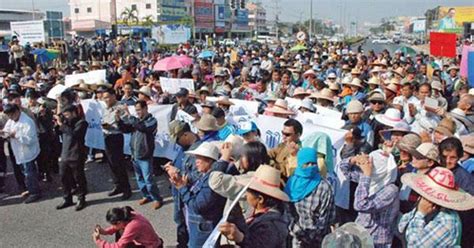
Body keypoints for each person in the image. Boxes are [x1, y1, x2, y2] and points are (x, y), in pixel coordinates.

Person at [398, 167, 474, 247]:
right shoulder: (428, 206)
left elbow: (414, 245)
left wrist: (420, 214)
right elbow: (402, 225)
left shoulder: (446, 221)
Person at [169, 142, 227, 248]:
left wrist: (182, 188)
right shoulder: (205, 176)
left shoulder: (210, 181)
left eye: (199, 159)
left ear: (209, 160)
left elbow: (197, 206)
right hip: (198, 228)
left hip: (203, 231)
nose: (196, 162)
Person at [219, 165, 289, 248]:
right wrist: (237, 218)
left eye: (248, 192)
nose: (246, 195)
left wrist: (240, 238)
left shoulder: (271, 224)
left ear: (260, 199)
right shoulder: (261, 213)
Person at [284, 147, 335, 247]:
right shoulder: (291, 184)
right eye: (306, 164)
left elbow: (325, 218)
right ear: (300, 163)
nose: (310, 167)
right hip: (295, 238)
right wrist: (297, 232)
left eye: (313, 163)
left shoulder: (324, 187)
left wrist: (310, 237)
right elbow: (287, 212)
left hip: (317, 240)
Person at [117, 100, 163, 210]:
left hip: (145, 155)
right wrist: (119, 120)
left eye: (139, 110)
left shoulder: (152, 120)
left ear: (145, 108)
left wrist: (129, 116)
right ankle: (146, 195)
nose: (137, 112)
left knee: (149, 179)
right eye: (136, 110)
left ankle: (157, 198)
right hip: (135, 154)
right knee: (139, 178)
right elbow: (125, 129)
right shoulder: (136, 121)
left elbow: (143, 128)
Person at [1, 103, 41, 203]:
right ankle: (32, 189)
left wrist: (16, 136)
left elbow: (30, 140)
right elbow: (7, 130)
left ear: (17, 111)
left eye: (12, 114)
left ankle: (35, 193)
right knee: (25, 172)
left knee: (30, 173)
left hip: (27, 152)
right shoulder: (11, 120)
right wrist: (4, 133)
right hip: (18, 152)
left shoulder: (27, 122)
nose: (10, 117)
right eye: (8, 115)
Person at [55, 105, 89, 211]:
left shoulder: (82, 123)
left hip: (76, 154)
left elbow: (75, 134)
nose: (66, 117)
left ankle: (81, 198)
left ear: (74, 113)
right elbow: (58, 132)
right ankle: (67, 198)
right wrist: (57, 124)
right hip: (65, 154)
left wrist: (62, 125)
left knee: (78, 178)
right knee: (64, 177)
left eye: (67, 114)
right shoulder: (66, 123)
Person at [101, 89, 132, 200]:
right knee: (111, 163)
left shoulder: (121, 107)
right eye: (104, 98)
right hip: (107, 137)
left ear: (114, 96)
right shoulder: (105, 108)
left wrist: (114, 126)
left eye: (108, 97)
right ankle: (117, 185)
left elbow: (126, 125)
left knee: (119, 164)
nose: (106, 100)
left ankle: (126, 189)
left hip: (116, 137)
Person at [93, 206, 163, 248]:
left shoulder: (132, 227)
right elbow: (117, 227)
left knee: (121, 239)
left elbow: (118, 246)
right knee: (119, 231)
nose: (112, 226)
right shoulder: (128, 215)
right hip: (153, 241)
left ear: (119, 222)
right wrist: (105, 232)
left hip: (151, 246)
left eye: (113, 224)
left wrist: (98, 241)